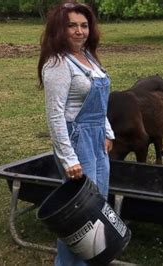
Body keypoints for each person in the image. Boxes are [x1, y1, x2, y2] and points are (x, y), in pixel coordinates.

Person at [37, 1, 114, 265]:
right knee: (76, 214)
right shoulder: (58, 63)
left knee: (96, 207)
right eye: (72, 25)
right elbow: (55, 115)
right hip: (77, 141)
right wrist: (69, 159)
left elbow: (101, 104)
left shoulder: (90, 58)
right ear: (60, 29)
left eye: (84, 25)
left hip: (97, 142)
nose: (79, 31)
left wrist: (107, 132)